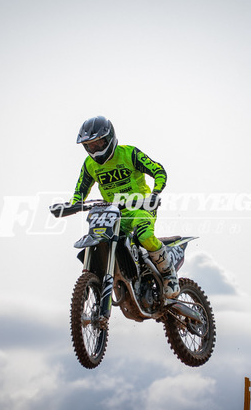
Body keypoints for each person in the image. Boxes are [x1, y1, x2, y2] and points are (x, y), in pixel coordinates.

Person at [70, 115, 179, 298]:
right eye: (90, 145)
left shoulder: (129, 153)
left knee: (144, 235)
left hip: (141, 207)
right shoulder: (89, 164)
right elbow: (80, 189)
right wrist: (73, 205)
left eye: (98, 143)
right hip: (113, 213)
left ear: (109, 138)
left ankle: (169, 274)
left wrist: (155, 193)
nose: (95, 148)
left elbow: (158, 170)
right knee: (99, 240)